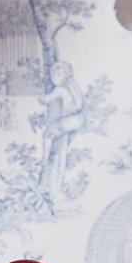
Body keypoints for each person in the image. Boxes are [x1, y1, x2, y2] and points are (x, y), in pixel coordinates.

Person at [35, 61, 84, 192]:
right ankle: (56, 184)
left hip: (67, 119)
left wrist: (42, 98)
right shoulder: (73, 86)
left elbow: (47, 99)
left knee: (48, 135)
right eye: (54, 74)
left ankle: (44, 160)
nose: (55, 77)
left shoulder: (60, 89)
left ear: (66, 74)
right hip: (75, 120)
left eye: (60, 74)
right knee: (61, 147)